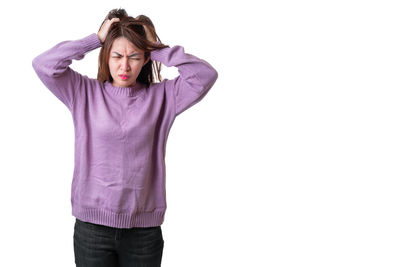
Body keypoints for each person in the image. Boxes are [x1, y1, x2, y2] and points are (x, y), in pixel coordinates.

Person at [32, 8, 218, 267]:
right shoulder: (83, 92)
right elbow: (44, 65)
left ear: (145, 60)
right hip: (92, 229)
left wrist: (157, 48)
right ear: (106, 56)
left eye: (135, 56)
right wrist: (95, 39)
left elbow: (205, 76)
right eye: (117, 55)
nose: (124, 65)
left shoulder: (163, 97)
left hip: (143, 232)